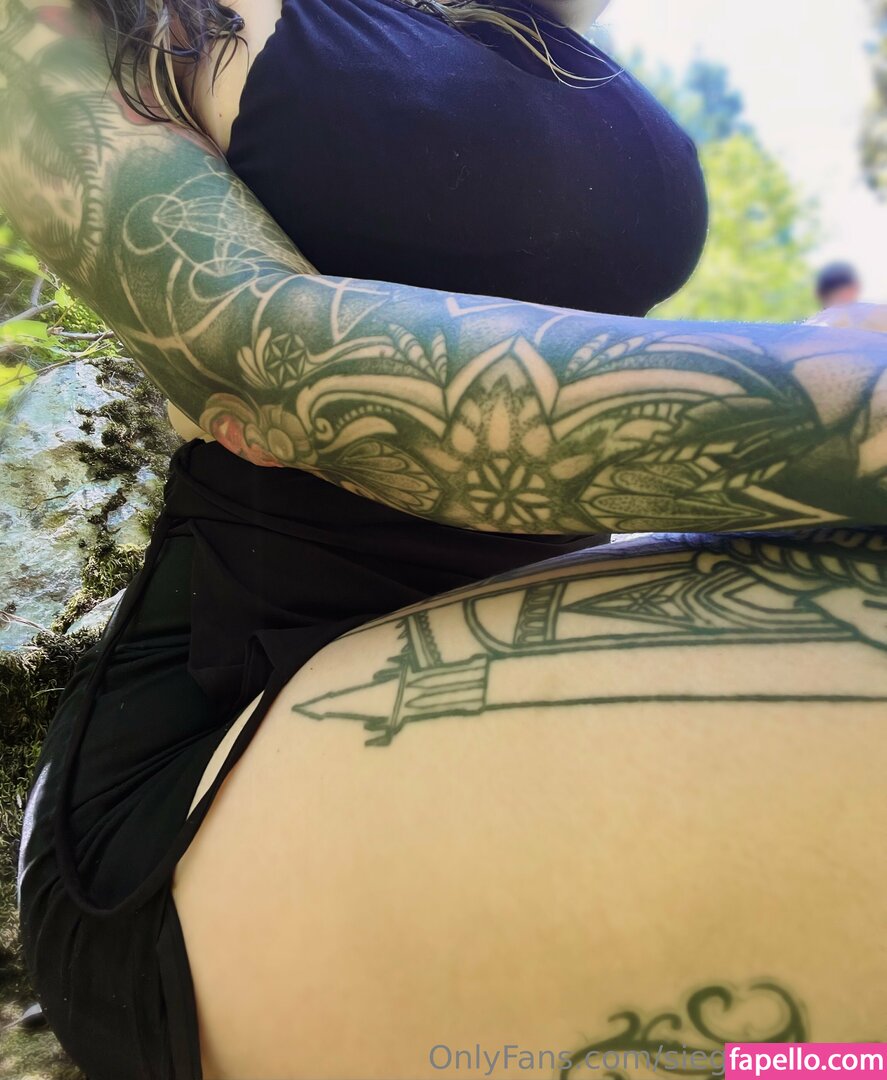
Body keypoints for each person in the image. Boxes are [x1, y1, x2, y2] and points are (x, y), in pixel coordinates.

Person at [2, 0, 887, 1077]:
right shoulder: (68, 24)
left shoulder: (543, 27)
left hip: (530, 638)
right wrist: (853, 407)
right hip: (215, 756)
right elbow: (264, 367)